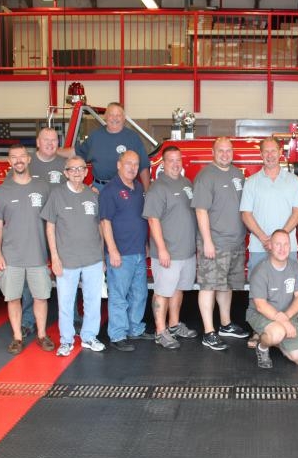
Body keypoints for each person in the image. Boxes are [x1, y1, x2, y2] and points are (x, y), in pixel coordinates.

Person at [0, 144, 54, 355]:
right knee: (13, 298)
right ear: (9, 162)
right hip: (11, 257)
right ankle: (17, 337)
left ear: (29, 159)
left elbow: (52, 221)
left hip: (38, 256)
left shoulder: (43, 188)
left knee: (41, 297)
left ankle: (42, 335)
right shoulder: (1, 191)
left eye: (22, 156)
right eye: (14, 157)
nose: (18, 160)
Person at [41, 156, 106, 356]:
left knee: (93, 301)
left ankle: (89, 337)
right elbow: (50, 226)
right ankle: (66, 340)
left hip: (93, 258)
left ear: (87, 172)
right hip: (66, 260)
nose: (77, 172)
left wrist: (102, 256)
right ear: (66, 173)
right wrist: (55, 258)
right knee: (66, 302)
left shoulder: (92, 195)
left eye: (81, 169)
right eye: (73, 169)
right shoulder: (57, 195)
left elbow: (100, 226)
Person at [192, 137, 251, 351]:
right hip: (215, 242)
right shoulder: (206, 176)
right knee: (209, 286)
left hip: (235, 243)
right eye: (221, 150)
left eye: (228, 150)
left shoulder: (237, 174)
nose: (225, 154)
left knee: (226, 285)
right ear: (213, 152)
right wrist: (207, 241)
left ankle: (225, 325)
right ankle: (209, 332)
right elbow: (200, 210)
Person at [142, 146, 198, 350]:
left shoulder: (186, 183)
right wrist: (162, 249)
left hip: (186, 252)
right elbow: (153, 220)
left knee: (177, 290)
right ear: (163, 164)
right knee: (162, 292)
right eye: (171, 160)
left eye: (178, 160)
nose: (175, 164)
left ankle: (174, 325)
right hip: (168, 253)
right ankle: (160, 331)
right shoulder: (158, 187)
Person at [99, 150, 151, 352]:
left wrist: (145, 244)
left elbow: (139, 219)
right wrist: (112, 250)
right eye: (128, 163)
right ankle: (118, 334)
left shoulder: (138, 188)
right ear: (118, 165)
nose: (132, 167)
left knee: (139, 293)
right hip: (120, 253)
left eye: (136, 164)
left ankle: (135, 329)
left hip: (138, 251)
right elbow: (105, 222)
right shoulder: (110, 190)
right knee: (119, 296)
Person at [20, 127, 68, 340]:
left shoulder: (63, 164)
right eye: (46, 140)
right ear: (37, 142)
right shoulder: (26, 163)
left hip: (59, 228)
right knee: (31, 276)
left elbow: (72, 192)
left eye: (54, 140)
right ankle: (28, 321)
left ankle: (72, 316)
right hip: (33, 229)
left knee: (66, 273)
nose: (50, 143)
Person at [246, 230, 298, 369]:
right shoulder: (260, 271)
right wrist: (284, 323)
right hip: (262, 315)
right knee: (278, 332)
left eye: (286, 244)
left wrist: (286, 318)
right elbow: (260, 306)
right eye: (278, 244)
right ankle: (262, 347)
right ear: (270, 246)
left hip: (288, 315)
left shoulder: (295, 267)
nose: (282, 249)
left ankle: (274, 339)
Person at [240, 137, 298, 273]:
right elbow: (246, 214)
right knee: (259, 292)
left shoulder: (294, 181)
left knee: (289, 291)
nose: (270, 155)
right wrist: (264, 239)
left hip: (287, 248)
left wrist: (278, 241)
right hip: (259, 248)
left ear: (280, 152)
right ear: (261, 154)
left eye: (273, 151)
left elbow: (297, 213)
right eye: (266, 152)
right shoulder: (251, 182)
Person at [61, 102, 150, 192]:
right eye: (111, 115)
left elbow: (144, 167)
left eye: (118, 115)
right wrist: (55, 151)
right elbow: (76, 152)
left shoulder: (133, 138)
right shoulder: (95, 136)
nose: (115, 118)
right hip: (99, 189)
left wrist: (147, 193)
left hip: (124, 188)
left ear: (123, 118)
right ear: (106, 116)